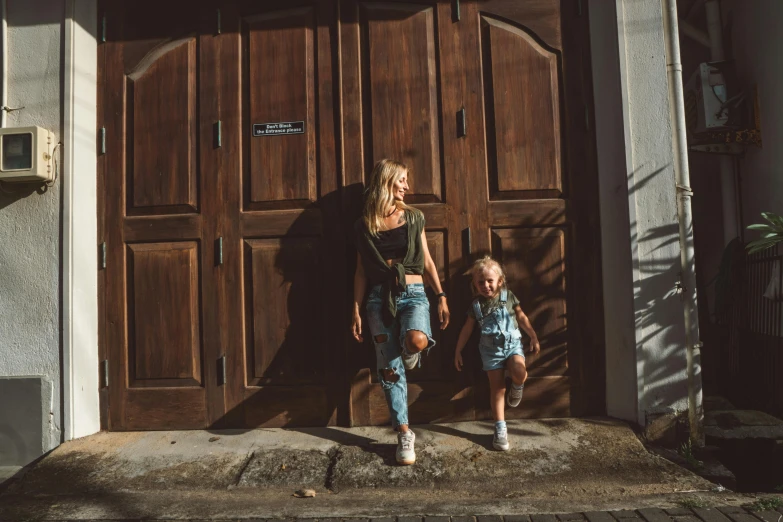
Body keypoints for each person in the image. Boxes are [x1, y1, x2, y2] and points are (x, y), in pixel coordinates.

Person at [351, 158, 450, 465]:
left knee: (417, 340)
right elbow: (360, 272)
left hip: (415, 294)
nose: (407, 186)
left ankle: (411, 351)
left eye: (407, 180)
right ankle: (404, 432)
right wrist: (354, 309)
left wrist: (442, 296)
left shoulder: (414, 217)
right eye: (402, 180)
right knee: (389, 370)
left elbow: (429, 262)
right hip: (378, 300)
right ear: (387, 181)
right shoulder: (363, 224)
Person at [453, 255, 541, 451]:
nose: (486, 285)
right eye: (480, 282)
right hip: (490, 351)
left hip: (512, 345)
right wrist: (458, 350)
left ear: (500, 281)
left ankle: (517, 386)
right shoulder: (476, 306)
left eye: (490, 281)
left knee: (520, 372)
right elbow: (467, 329)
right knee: (497, 388)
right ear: (475, 285)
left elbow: (521, 315)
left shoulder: (508, 296)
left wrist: (533, 335)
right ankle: (500, 428)